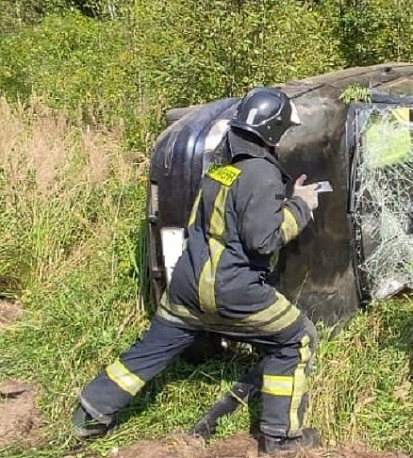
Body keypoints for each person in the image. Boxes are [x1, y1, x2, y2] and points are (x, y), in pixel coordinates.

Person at [72, 86, 324, 453]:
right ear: (272, 133)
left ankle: (89, 416)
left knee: (150, 349)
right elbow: (262, 241)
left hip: (186, 291)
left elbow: (211, 225)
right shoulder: (263, 173)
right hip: (234, 293)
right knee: (297, 339)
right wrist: (302, 206)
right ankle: (280, 437)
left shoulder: (221, 172)